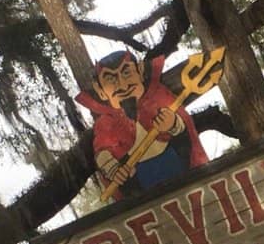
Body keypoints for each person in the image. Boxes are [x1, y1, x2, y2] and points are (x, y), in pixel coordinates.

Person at [75, 50, 209, 198]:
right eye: (111, 80)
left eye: (126, 73)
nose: (123, 85)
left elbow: (186, 132)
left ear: (140, 71)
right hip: (141, 181)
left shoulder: (159, 96)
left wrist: (174, 125)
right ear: (100, 90)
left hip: (179, 166)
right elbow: (103, 151)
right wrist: (111, 166)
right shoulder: (106, 123)